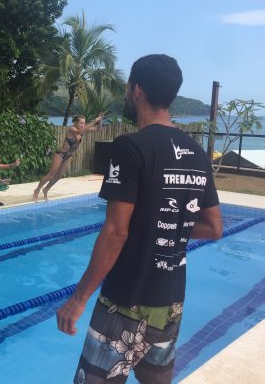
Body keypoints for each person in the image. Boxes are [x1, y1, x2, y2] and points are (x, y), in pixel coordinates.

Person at [56, 54, 223, 384]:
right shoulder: (197, 153)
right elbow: (214, 228)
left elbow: (116, 231)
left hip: (126, 298)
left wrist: (78, 299)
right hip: (171, 300)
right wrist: (166, 230)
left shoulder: (130, 147)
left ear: (137, 91)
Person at [33, 114, 103, 202]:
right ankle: (37, 190)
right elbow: (80, 131)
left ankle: (46, 189)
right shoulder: (72, 129)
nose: (83, 125)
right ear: (75, 122)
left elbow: (98, 129)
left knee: (58, 176)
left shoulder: (82, 129)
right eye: (81, 123)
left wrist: (100, 120)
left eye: (84, 123)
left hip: (68, 156)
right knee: (51, 175)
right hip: (60, 154)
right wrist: (93, 122)